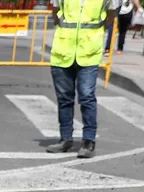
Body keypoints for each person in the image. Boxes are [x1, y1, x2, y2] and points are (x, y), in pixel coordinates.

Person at [46, 0, 111, 158]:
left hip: (89, 53)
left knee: (87, 96)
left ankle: (88, 142)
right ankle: (65, 139)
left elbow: (110, 17)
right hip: (63, 52)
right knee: (64, 98)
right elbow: (55, 12)